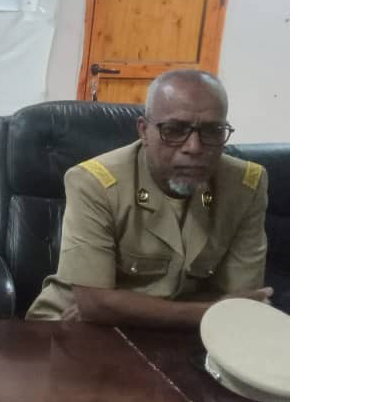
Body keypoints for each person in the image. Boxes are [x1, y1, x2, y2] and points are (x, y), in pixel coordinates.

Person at [26, 69, 271, 327]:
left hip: (179, 334)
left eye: (212, 131)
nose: (194, 147)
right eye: (174, 130)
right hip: (73, 328)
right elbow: (94, 303)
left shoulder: (245, 186)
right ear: (143, 130)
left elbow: (242, 305)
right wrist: (209, 311)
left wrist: (121, 308)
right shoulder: (94, 183)